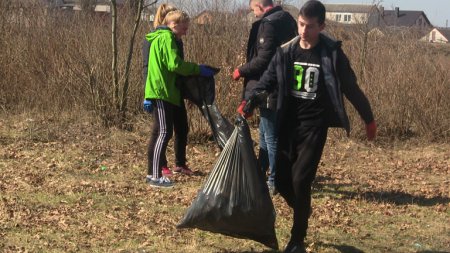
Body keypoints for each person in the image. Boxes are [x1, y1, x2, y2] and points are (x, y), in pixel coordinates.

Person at [242, 1, 377, 252]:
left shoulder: (331, 54)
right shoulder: (286, 51)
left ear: (321, 26)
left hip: (314, 126)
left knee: (301, 181)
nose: (303, 30)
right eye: (301, 24)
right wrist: (249, 101)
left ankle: (297, 240)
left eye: (310, 26)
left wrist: (368, 120)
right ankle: (304, 209)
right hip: (287, 123)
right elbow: (267, 80)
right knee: (282, 182)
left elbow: (351, 88)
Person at [143, 6, 216, 188]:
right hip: (162, 91)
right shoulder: (167, 37)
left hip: (167, 91)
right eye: (184, 28)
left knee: (163, 131)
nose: (186, 32)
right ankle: (154, 175)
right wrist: (197, 69)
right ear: (174, 24)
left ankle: (155, 173)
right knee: (163, 132)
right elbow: (174, 64)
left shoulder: (163, 37)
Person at [233, 0, 297, 194]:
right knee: (264, 133)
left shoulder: (268, 25)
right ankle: (261, 172)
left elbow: (264, 59)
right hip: (284, 84)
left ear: (261, 6)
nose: (253, 13)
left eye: (254, 9)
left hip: (269, 88)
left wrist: (241, 71)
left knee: (271, 136)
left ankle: (274, 180)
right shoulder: (287, 19)